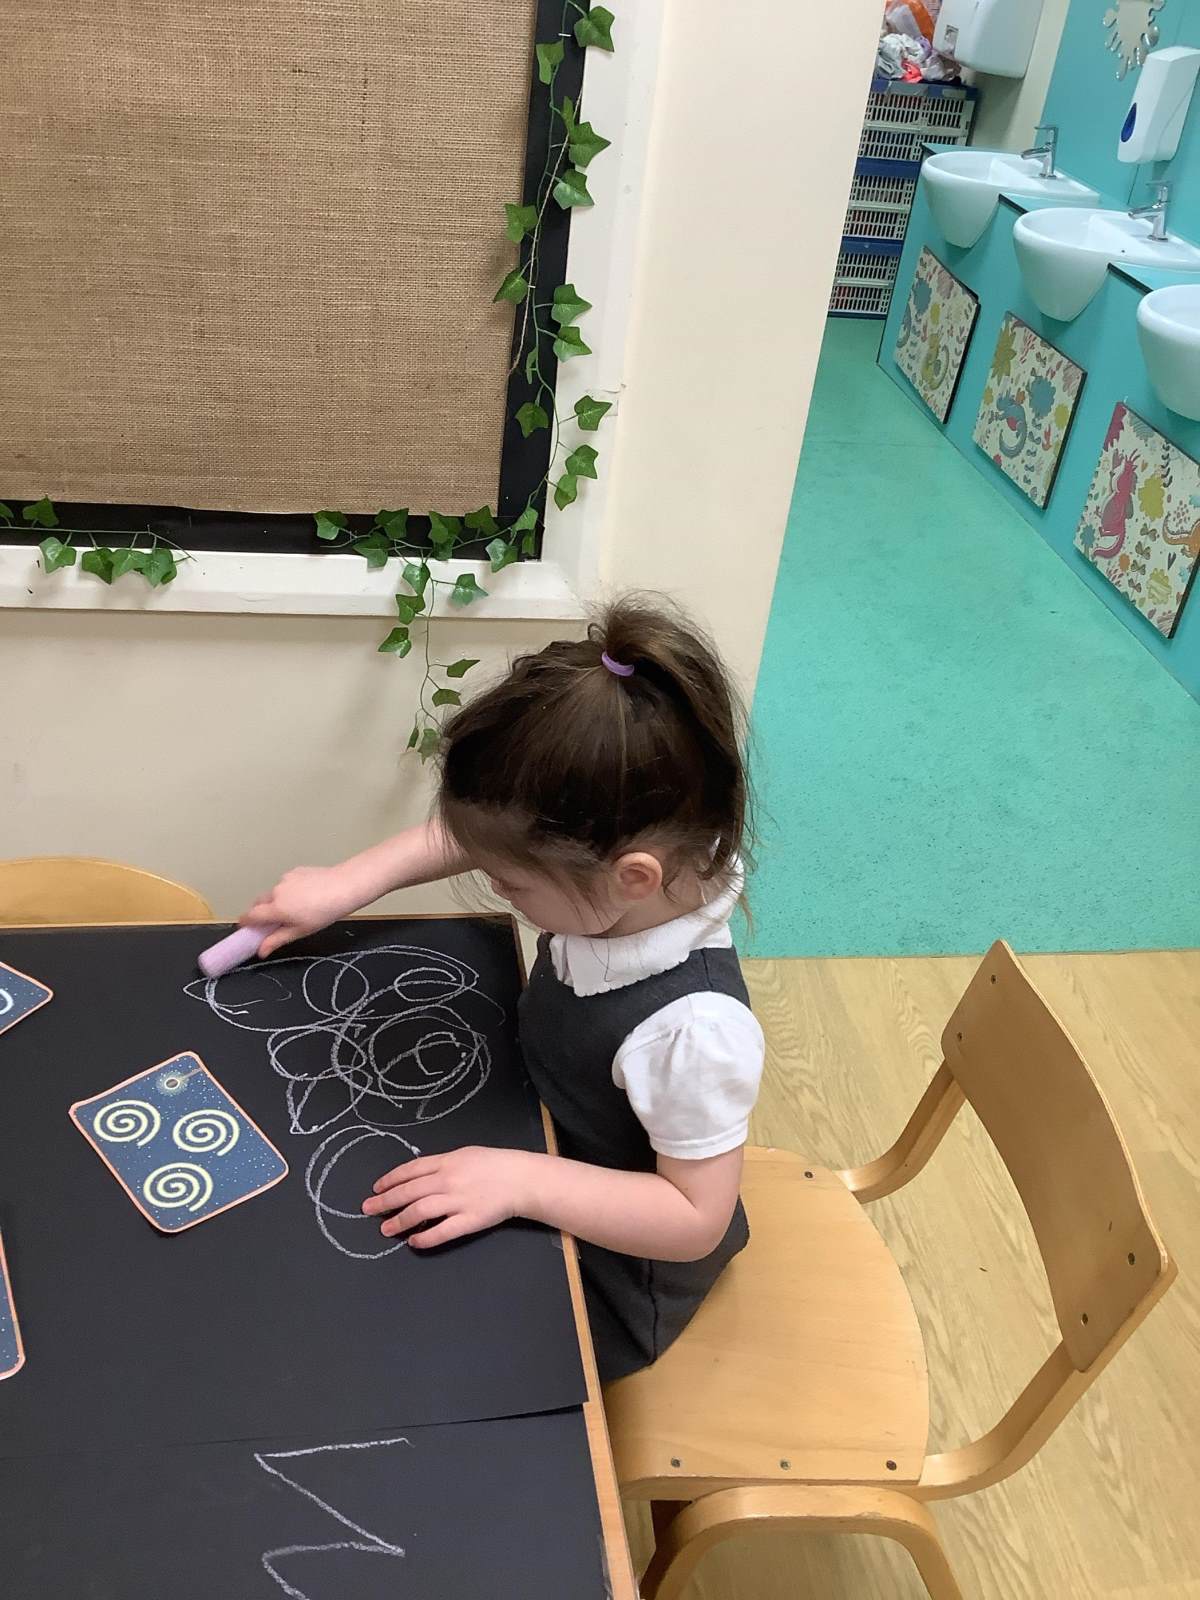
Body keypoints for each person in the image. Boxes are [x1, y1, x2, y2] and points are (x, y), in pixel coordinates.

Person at [240, 595, 765, 1382]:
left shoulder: (693, 1034)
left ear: (628, 878)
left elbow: (695, 1219)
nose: (495, 885)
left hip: (615, 1271)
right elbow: (498, 832)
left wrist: (522, 1181)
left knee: (397, 1357)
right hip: (540, 1130)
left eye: (511, 883)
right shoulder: (644, 862)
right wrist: (350, 882)